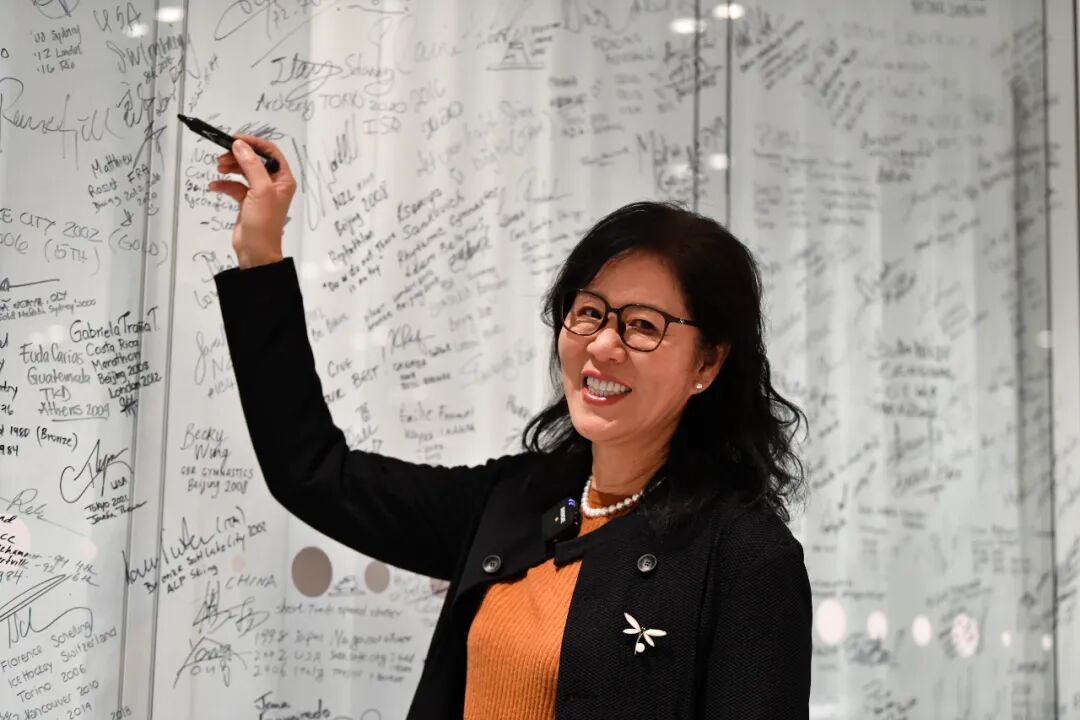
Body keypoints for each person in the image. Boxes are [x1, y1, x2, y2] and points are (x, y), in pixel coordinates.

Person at [210, 135, 813, 719]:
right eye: (589, 312)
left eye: (643, 326)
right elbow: (314, 473)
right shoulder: (514, 502)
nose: (603, 345)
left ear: (707, 363)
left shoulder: (745, 557)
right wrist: (260, 254)